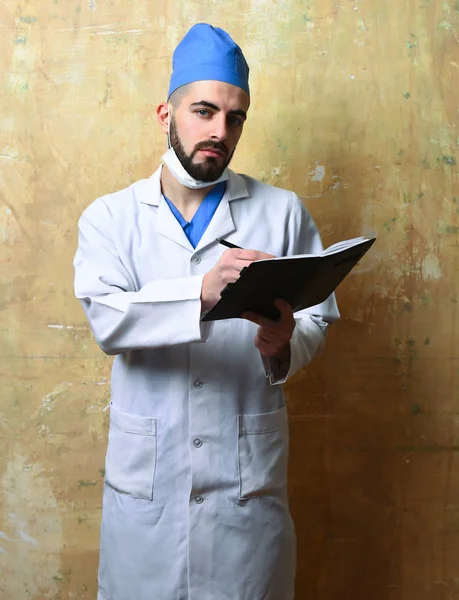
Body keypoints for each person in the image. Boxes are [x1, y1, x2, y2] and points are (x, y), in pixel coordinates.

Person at [74, 23, 339, 600]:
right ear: (165, 115)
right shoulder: (111, 219)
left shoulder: (282, 212)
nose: (220, 131)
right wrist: (201, 292)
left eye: (235, 117)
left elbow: (318, 318)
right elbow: (107, 318)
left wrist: (284, 346)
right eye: (203, 111)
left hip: (245, 496)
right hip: (148, 498)